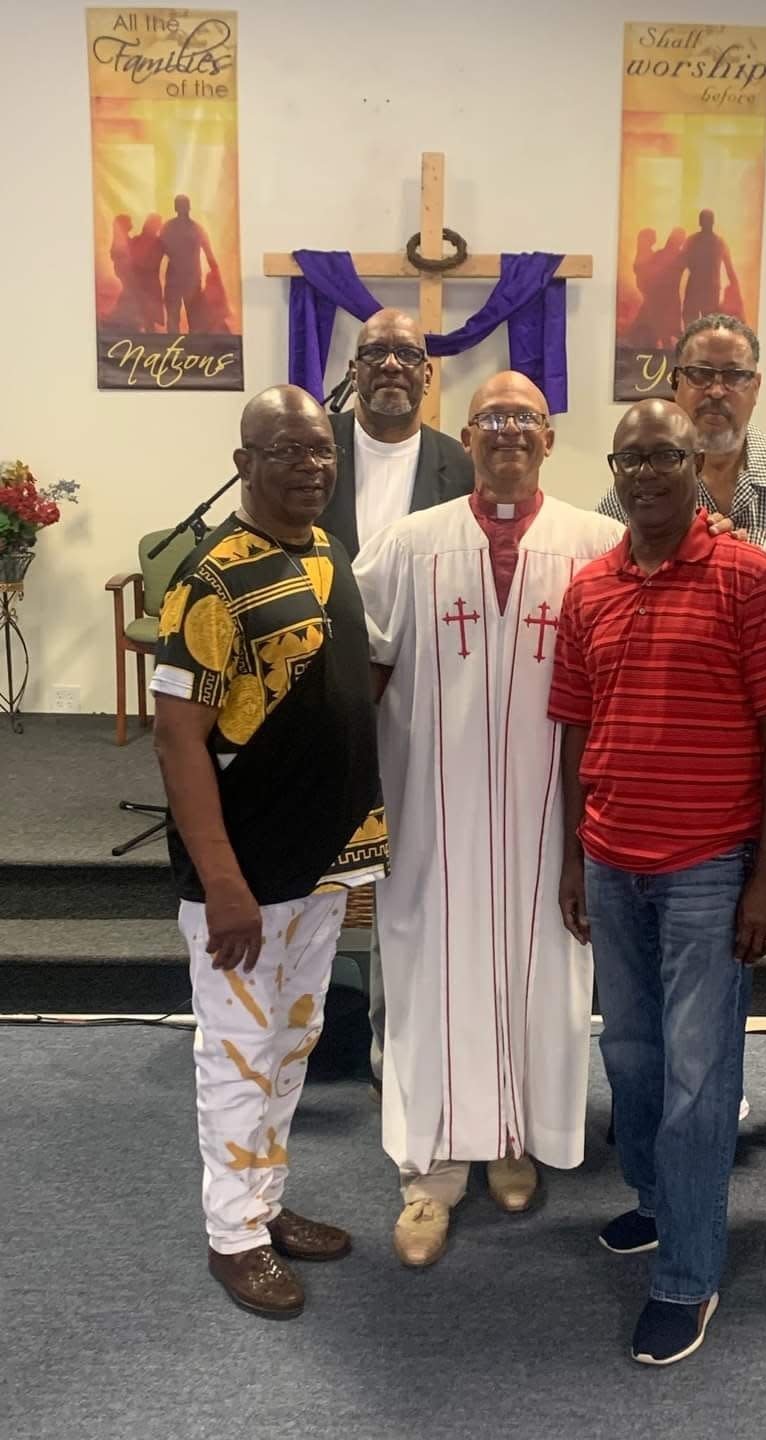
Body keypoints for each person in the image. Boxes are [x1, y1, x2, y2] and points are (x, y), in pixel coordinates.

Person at [550, 399, 766, 1366]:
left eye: (668, 454)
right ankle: (663, 1204)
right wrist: (575, 856)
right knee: (632, 1063)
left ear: (698, 462)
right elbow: (578, 729)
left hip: (709, 867)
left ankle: (688, 1276)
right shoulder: (591, 589)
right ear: (614, 470)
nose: (649, 471)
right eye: (633, 457)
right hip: (614, 862)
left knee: (702, 1083)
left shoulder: (750, 577)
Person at [352, 371, 625, 1269]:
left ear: (550, 439)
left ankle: (514, 1134)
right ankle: (429, 1171)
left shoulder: (599, 543)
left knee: (543, 966)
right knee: (430, 970)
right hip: (435, 807)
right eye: (491, 419)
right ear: (464, 437)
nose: (508, 431)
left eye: (526, 418)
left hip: (554, 811)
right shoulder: (408, 544)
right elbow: (363, 670)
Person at [151, 384, 388, 1320]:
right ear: (244, 463)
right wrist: (221, 881)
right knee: (239, 1051)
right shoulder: (209, 579)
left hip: (323, 860)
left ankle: (266, 1205)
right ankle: (232, 1236)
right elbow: (179, 739)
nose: (311, 467)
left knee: (291, 1044)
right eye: (287, 450)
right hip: (245, 872)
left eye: (322, 450)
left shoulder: (328, 553)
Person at [598, 314, 766, 1135]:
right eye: (700, 374)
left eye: (733, 375)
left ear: (757, 386)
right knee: (678, 959)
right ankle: (680, 1105)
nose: (716, 390)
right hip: (687, 777)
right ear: (675, 383)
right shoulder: (629, 490)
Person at [318, 308, 474, 1099]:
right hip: (324, 693)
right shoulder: (316, 452)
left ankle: (396, 1037)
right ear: (354, 367)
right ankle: (304, 1028)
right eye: (374, 352)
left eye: (405, 355)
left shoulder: (459, 462)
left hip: (424, 700)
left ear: (426, 373)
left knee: (408, 872)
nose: (389, 366)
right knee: (324, 868)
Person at [161, 194, 219, 332]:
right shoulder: (195, 228)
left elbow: (158, 251)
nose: (181, 208)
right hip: (184, 278)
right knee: (181, 317)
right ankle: (184, 346)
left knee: (185, 317)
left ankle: (181, 347)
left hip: (184, 278)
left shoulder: (170, 227)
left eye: (181, 205)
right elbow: (158, 251)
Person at [681, 209, 742, 327]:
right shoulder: (719, 242)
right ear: (713, 222)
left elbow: (683, 262)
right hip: (708, 289)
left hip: (699, 287)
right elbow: (729, 269)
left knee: (698, 324)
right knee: (706, 325)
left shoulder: (693, 240)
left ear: (700, 222)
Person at [130, 213, 165, 333]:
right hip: (146, 281)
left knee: (147, 314)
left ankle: (148, 332)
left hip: (145, 281)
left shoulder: (157, 242)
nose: (159, 227)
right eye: (157, 224)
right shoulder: (158, 243)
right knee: (146, 313)